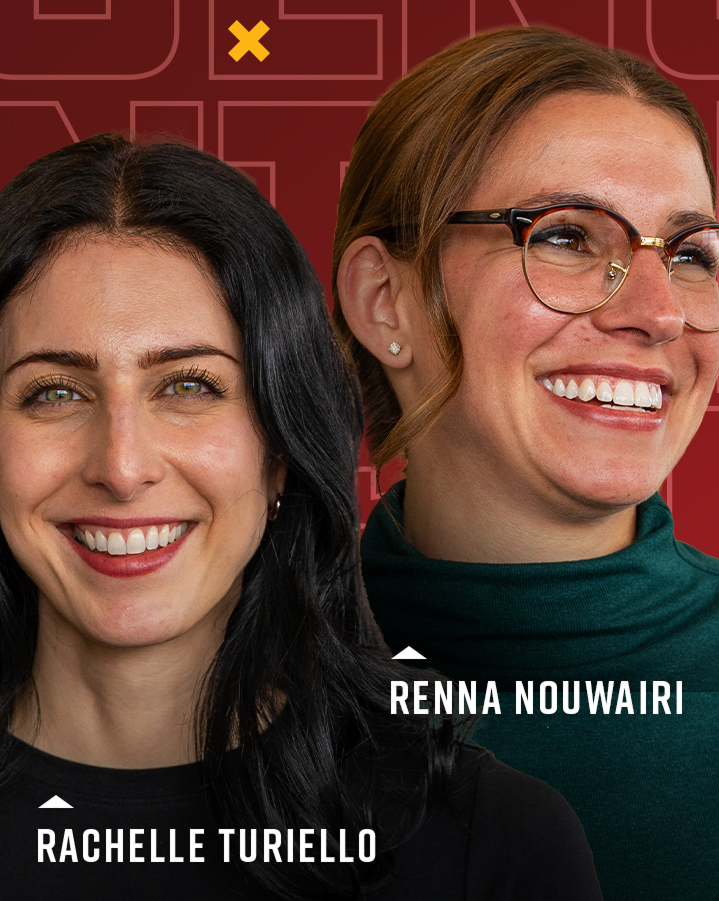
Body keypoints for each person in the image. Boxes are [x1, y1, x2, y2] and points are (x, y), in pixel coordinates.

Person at [0, 134, 602, 899]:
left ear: (280, 448)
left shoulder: (490, 841)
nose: (121, 467)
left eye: (189, 386)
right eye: (54, 391)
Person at [333, 26, 719, 901]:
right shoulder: (211, 679)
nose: (658, 313)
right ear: (383, 298)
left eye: (691, 254)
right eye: (564, 237)